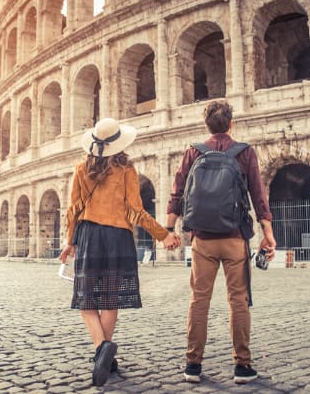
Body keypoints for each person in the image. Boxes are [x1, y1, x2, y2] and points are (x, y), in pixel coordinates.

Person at [60, 117, 180, 387]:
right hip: (118, 238)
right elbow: (136, 212)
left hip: (90, 237)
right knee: (110, 301)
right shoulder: (127, 170)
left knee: (86, 300)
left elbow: (73, 211)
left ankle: (101, 348)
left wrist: (71, 241)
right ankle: (106, 353)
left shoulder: (81, 169)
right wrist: (164, 235)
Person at [165, 100, 277, 384]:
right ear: (231, 124)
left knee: (199, 300)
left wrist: (169, 228)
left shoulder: (193, 151)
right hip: (235, 238)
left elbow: (177, 192)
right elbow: (258, 196)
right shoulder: (245, 152)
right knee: (238, 300)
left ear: (206, 125)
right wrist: (268, 233)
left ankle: (192, 365)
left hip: (201, 238)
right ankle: (242, 366)